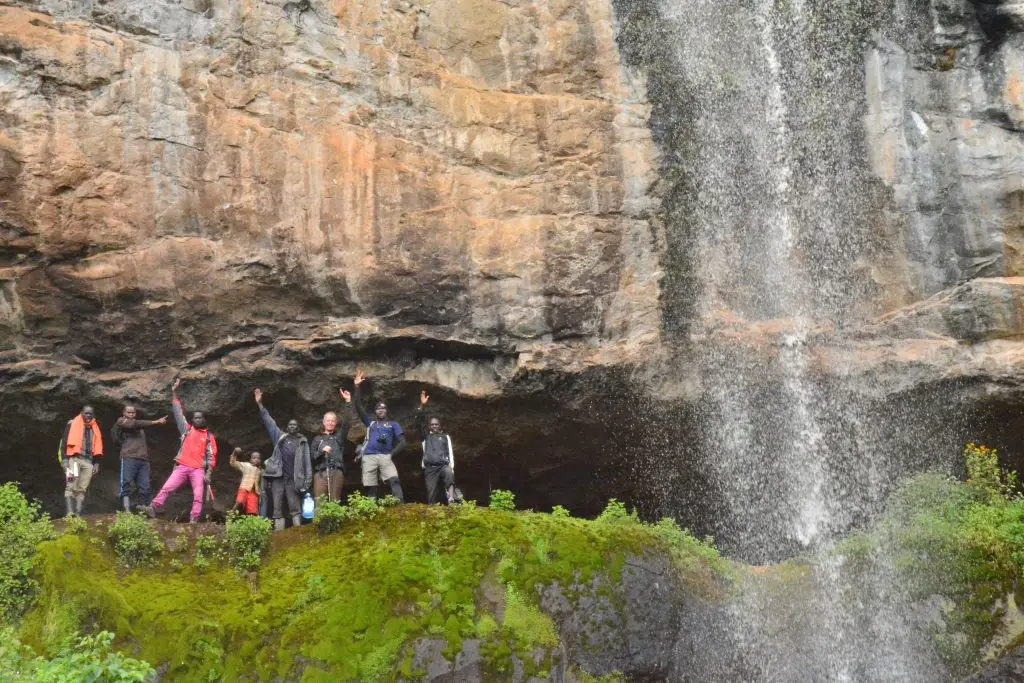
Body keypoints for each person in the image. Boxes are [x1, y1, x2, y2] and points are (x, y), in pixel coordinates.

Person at [151, 379, 219, 523]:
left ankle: (193, 519)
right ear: (192, 420)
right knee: (167, 487)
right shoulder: (186, 430)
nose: (198, 420)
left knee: (199, 495)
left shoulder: (208, 437)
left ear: (204, 419)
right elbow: (178, 412)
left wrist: (208, 473)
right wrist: (174, 392)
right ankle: (153, 507)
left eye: (200, 418)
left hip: (198, 470)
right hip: (182, 466)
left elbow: (212, 457)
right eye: (195, 418)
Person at [254, 388, 312, 530]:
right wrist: (260, 404)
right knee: (277, 504)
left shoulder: (302, 442)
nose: (292, 426)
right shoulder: (280, 437)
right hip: (277, 477)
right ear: (287, 427)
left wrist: (307, 480)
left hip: (294, 478)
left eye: (295, 425)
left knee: (294, 504)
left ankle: (297, 530)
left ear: (298, 428)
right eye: (290, 425)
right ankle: (278, 533)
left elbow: (307, 463)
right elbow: (269, 423)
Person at [352, 371, 405, 501]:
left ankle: (400, 506)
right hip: (369, 456)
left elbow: (403, 442)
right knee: (370, 486)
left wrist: (391, 454)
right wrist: (357, 387)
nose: (381, 410)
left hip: (386, 455)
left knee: (394, 479)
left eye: (383, 408)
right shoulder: (371, 423)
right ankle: (372, 509)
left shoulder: (393, 424)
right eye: (378, 409)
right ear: (375, 412)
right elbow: (358, 407)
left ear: (386, 411)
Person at [113, 405, 168, 513]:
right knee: (126, 483)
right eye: (128, 412)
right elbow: (134, 424)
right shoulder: (121, 421)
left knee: (145, 485)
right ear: (123, 413)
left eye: (133, 413)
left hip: (143, 459)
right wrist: (156, 421)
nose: (131, 414)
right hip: (129, 457)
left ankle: (142, 508)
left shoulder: (140, 428)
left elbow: (138, 424)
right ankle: (126, 510)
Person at [309, 390, 353, 505]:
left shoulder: (339, 437)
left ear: (335, 423)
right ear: (323, 422)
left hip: (336, 471)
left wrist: (348, 402)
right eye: (328, 421)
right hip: (321, 472)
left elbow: (347, 423)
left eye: (332, 421)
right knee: (320, 502)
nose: (330, 423)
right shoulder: (317, 439)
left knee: (335, 501)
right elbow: (312, 456)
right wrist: (321, 451)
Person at [58, 405, 104, 517]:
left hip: (88, 463)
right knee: (71, 484)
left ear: (93, 415)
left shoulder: (95, 427)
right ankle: (69, 512)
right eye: (86, 413)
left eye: (90, 414)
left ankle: (77, 513)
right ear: (81, 413)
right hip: (74, 460)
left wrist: (97, 462)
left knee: (82, 488)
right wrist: (64, 460)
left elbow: (97, 446)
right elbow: (64, 442)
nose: (88, 415)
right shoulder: (72, 423)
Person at [414, 391, 456, 505]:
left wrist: (451, 466)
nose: (434, 426)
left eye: (436, 424)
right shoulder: (425, 437)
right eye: (432, 424)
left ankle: (451, 498)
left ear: (440, 426)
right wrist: (422, 405)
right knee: (431, 492)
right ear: (429, 426)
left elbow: (450, 452)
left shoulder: (445, 437)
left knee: (449, 474)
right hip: (430, 468)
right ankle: (432, 507)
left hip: (443, 465)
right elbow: (417, 423)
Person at [230, 447, 263, 516]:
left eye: (258, 458)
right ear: (250, 459)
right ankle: (230, 518)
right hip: (244, 488)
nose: (256, 459)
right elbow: (233, 463)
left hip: (254, 491)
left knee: (252, 510)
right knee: (239, 503)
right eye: (254, 458)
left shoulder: (260, 471)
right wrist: (234, 453)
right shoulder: (246, 465)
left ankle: (249, 524)